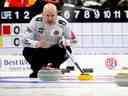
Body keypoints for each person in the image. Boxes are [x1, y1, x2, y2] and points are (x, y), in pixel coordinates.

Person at [22, 3, 77, 78]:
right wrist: (37, 44)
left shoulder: (63, 23)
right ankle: (37, 69)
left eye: (52, 16)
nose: (50, 18)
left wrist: (65, 42)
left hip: (54, 51)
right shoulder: (35, 21)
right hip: (39, 51)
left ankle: (55, 66)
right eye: (47, 15)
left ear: (57, 14)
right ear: (42, 14)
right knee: (26, 50)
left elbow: (74, 41)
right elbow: (24, 41)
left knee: (67, 50)